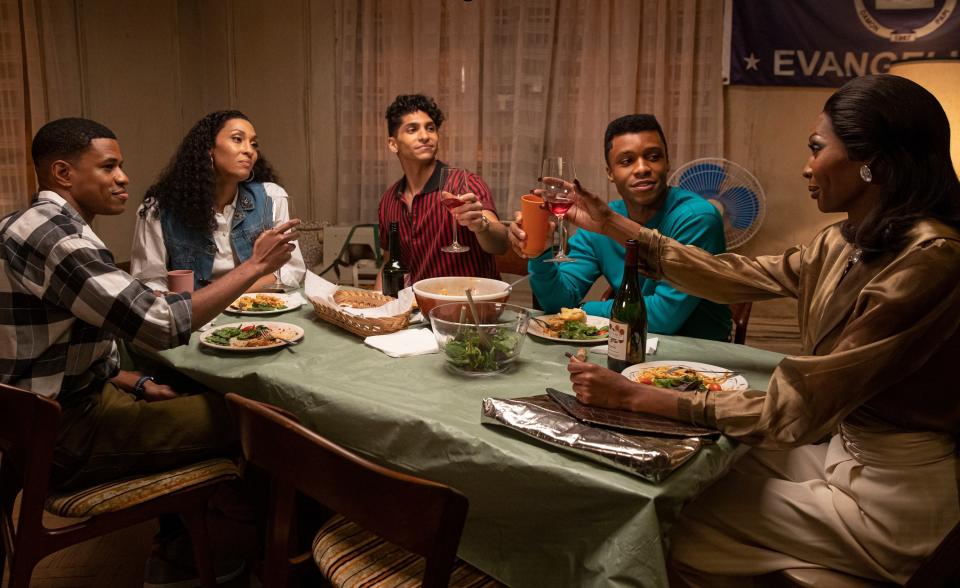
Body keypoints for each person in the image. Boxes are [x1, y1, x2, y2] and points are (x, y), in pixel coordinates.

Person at [563, 75, 960, 584]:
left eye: (817, 149)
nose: (806, 167)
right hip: (842, 455)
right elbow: (737, 275)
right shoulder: (843, 240)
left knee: (666, 523)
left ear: (873, 162)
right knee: (686, 480)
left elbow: (802, 404)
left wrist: (638, 398)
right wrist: (614, 225)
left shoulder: (929, 258)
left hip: (891, 498)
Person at [0, 118, 298, 583]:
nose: (123, 177)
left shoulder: (21, 224)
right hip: (64, 434)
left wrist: (133, 379)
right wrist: (255, 266)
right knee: (258, 418)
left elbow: (47, 345)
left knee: (189, 393)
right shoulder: (61, 239)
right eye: (108, 167)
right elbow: (158, 323)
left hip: (35, 419)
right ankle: (250, 551)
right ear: (62, 173)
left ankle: (199, 530)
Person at [509, 115, 731, 341]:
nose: (642, 168)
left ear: (667, 163)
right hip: (627, 343)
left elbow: (664, 317)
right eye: (627, 161)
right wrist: (540, 252)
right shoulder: (598, 220)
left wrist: (581, 310)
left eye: (653, 157)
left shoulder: (696, 218)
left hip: (701, 354)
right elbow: (558, 301)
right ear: (610, 173)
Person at [131, 110, 305, 292]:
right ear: (209, 148)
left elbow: (292, 269)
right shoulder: (157, 209)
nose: (249, 150)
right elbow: (149, 282)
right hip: (196, 317)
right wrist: (205, 303)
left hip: (258, 310)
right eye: (237, 139)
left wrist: (223, 295)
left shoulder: (272, 197)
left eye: (254, 144)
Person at [376, 94, 509, 286]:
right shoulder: (389, 200)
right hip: (420, 309)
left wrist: (482, 225)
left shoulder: (464, 184)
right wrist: (374, 308)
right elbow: (390, 263)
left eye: (430, 128)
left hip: (471, 308)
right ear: (393, 144)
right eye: (412, 129)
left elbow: (501, 244)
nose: (425, 136)